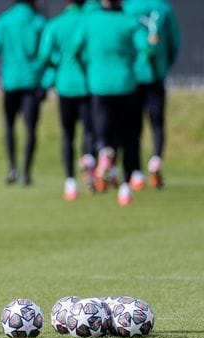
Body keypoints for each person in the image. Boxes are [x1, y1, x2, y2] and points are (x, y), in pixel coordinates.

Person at [71, 0, 148, 206]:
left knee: (102, 129)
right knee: (129, 136)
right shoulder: (129, 21)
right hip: (125, 83)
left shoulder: (90, 20)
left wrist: (89, 67)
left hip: (99, 83)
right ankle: (125, 187)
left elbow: (75, 49)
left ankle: (104, 153)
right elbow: (145, 48)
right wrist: (130, 62)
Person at [0, 0, 47, 186]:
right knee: (30, 128)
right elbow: (47, 53)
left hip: (11, 82)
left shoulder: (4, 20)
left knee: (9, 125)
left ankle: (12, 169)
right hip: (33, 83)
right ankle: (26, 172)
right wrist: (47, 80)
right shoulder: (39, 21)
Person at [38, 0, 96, 201]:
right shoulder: (90, 21)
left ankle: (70, 181)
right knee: (89, 131)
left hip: (65, 85)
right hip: (88, 84)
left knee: (67, 134)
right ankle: (89, 167)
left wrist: (60, 62)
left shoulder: (55, 24)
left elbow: (44, 54)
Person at [124, 0, 180, 190]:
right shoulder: (163, 8)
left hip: (133, 76)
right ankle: (156, 160)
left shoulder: (128, 8)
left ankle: (136, 173)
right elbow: (174, 42)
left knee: (133, 126)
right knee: (157, 123)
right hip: (156, 74)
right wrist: (164, 66)